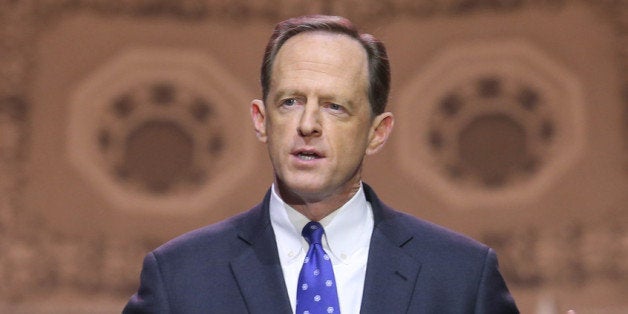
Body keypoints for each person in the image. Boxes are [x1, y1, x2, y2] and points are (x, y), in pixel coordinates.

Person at [123, 15, 519, 313]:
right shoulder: (180, 278)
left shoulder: (461, 276)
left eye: (334, 107)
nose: (307, 125)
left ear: (377, 132)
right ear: (261, 120)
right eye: (290, 102)